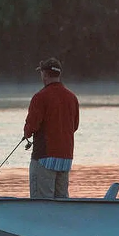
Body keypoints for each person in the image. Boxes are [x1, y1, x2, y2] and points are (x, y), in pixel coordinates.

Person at [24, 57, 80, 199]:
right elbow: (75, 126)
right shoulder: (72, 97)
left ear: (45, 74)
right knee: (61, 202)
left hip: (44, 157)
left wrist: (26, 132)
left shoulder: (40, 97)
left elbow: (32, 126)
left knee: (42, 202)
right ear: (58, 74)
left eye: (41, 73)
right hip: (65, 158)